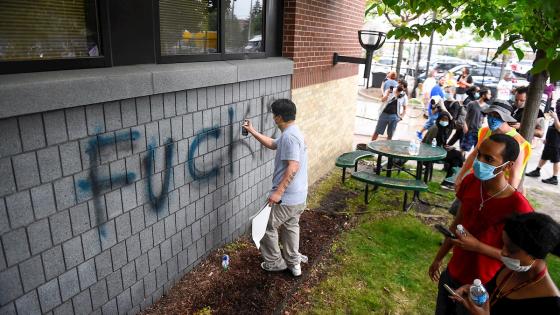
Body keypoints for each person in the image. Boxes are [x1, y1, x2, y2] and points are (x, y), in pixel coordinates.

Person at [430, 134, 534, 315]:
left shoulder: (519, 207)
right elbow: (457, 224)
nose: (479, 162)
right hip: (453, 273)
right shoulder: (471, 182)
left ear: (508, 166)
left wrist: (478, 246)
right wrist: (439, 258)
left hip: (483, 287)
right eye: (479, 154)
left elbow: (524, 262)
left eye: (488, 159)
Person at [242, 99, 308, 277]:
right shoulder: (293, 132)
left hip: (286, 197)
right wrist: (253, 131)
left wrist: (278, 192)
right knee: (290, 225)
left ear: (278, 117)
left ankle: (274, 263)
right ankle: (294, 264)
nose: (273, 118)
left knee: (262, 226)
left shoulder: (290, 137)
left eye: (274, 115)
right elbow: (273, 144)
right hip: (299, 196)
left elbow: (293, 166)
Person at [449, 212, 560, 314]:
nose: (503, 253)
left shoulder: (551, 304)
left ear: (535, 255)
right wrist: (476, 291)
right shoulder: (512, 268)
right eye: (503, 244)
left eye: (511, 250)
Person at [456, 100, 531, 192]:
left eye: (497, 116)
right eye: (490, 114)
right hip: (477, 181)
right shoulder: (485, 131)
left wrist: (509, 198)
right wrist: (460, 176)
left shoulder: (519, 143)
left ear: (506, 118)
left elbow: (514, 175)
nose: (492, 119)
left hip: (498, 188)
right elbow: (473, 155)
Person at [526, 101, 560, 185]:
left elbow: (559, 128)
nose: (557, 105)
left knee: (556, 159)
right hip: (551, 140)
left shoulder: (557, 115)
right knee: (545, 156)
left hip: (557, 142)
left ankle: (555, 178)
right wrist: (547, 138)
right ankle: (537, 171)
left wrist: (555, 117)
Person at [461, 89, 491, 153]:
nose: (490, 96)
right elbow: (464, 115)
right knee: (464, 149)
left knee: (477, 151)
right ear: (483, 95)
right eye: (489, 94)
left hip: (479, 132)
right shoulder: (472, 104)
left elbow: (484, 119)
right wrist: (465, 125)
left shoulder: (487, 107)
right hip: (470, 131)